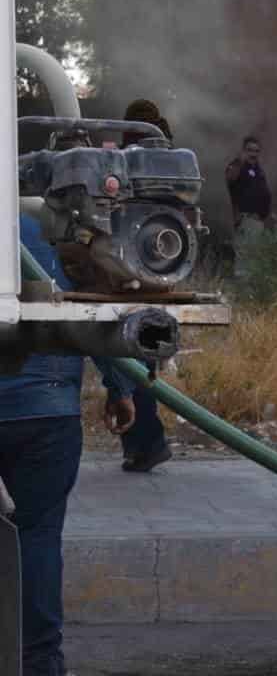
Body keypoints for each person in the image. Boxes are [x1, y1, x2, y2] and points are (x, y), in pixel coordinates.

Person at [0, 214, 135, 676]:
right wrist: (119, 386)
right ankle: (40, 664)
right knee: (37, 536)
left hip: (37, 405)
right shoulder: (54, 231)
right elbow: (90, 309)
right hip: (46, 410)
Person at [117, 98, 174, 473]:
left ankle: (146, 441)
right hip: (162, 273)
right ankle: (144, 443)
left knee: (128, 357)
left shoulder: (126, 159)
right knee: (145, 358)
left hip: (127, 274)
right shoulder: (172, 160)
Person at [225, 136, 275, 277]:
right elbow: (229, 178)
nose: (253, 153)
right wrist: (240, 161)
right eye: (250, 150)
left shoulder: (257, 169)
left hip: (259, 221)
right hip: (245, 220)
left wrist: (269, 214)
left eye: (256, 151)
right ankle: (242, 293)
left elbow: (263, 193)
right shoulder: (238, 166)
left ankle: (252, 294)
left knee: (255, 260)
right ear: (243, 151)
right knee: (244, 261)